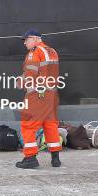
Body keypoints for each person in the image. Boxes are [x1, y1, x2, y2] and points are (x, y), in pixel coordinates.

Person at [16, 29, 62, 169]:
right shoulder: (52, 51)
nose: (24, 43)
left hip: (38, 94)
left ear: (35, 39)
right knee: (50, 124)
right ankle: (55, 158)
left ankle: (30, 158)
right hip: (52, 95)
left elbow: (31, 73)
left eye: (26, 39)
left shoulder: (34, 52)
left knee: (28, 124)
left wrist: (20, 83)